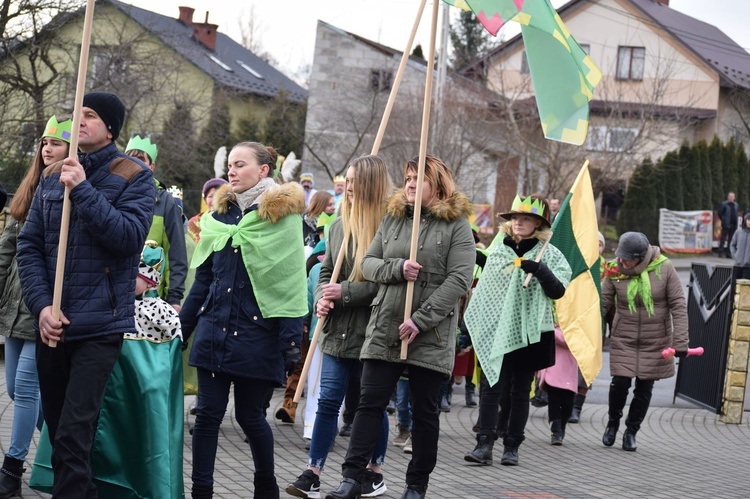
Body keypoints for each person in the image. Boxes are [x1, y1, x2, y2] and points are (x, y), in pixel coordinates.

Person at [16, 91, 155, 497]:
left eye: (89, 115)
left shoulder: (133, 174)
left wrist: (83, 190)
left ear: (110, 127)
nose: (79, 120)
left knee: (75, 434)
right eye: (76, 113)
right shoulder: (50, 174)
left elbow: (128, 238)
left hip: (99, 326)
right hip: (54, 324)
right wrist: (42, 307)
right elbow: (30, 247)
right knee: (58, 432)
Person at [325, 155, 475, 499]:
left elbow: (459, 280)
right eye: (407, 177)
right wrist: (397, 268)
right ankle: (351, 479)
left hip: (430, 334)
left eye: (417, 179)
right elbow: (369, 263)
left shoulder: (457, 225)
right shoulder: (392, 219)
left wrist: (420, 320)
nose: (409, 184)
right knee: (369, 403)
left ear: (437, 186)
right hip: (386, 325)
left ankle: (416, 485)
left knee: (425, 413)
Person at [180, 141, 307, 499]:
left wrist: (290, 344)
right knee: (206, 416)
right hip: (213, 330)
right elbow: (203, 279)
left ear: (263, 170)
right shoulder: (218, 217)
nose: (231, 172)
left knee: (251, 418)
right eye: (230, 165)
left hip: (258, 336)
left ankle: (265, 486)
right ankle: (200, 491)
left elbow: (290, 283)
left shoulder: (283, 218)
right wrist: (182, 329)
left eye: (240, 165)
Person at [30, 242, 185, 498]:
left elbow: (163, 373)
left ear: (149, 281)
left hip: (132, 394)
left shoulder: (159, 314)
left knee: (90, 433)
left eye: (137, 275)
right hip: (102, 382)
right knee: (72, 429)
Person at [286, 155, 392, 499]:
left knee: (368, 403)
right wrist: (320, 298)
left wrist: (344, 292)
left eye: (352, 179)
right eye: (344, 178)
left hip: (373, 332)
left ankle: (373, 472)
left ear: (371, 183)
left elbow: (386, 285)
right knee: (328, 400)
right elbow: (326, 272)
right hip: (337, 331)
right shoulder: (338, 225)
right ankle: (313, 472)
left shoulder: (390, 227)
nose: (345, 186)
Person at [463, 194, 571, 467]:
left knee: (520, 391)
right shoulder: (500, 250)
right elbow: (486, 282)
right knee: (491, 387)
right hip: (497, 329)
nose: (519, 223)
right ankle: (483, 445)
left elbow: (558, 290)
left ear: (538, 223)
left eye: (526, 219)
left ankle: (512, 446)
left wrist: (541, 270)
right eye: (515, 218)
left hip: (530, 333)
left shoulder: (550, 253)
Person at [0, 116, 70, 497]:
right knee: (13, 390)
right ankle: (67, 449)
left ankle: (11, 468)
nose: (47, 149)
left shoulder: (71, 188)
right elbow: (7, 249)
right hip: (14, 304)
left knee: (26, 388)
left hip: (44, 303)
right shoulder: (28, 189)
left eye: (56, 143)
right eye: (44, 143)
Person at [601, 231, 689, 451]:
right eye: (620, 256)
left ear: (641, 257)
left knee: (644, 387)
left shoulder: (664, 268)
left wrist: (680, 342)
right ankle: (612, 423)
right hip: (625, 336)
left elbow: (678, 305)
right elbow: (602, 303)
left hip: (655, 339)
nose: (622, 261)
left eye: (627, 258)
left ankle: (631, 431)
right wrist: (588, 334)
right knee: (620, 383)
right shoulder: (613, 271)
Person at [125, 135, 188, 310]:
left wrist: (174, 298)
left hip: (152, 301)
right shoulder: (113, 195)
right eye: (129, 157)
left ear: (152, 167)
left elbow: (175, 252)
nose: (133, 163)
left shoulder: (165, 202)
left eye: (140, 159)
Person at [569, 230, 606, 424]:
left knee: (586, 368)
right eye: (594, 243)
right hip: (575, 322)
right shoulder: (577, 265)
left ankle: (577, 406)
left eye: (600, 244)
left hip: (595, 325)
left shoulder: (609, 270)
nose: (596, 248)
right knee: (567, 361)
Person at [538, 326, 578, 445]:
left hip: (569, 369)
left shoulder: (575, 323)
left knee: (568, 404)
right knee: (554, 402)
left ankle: (562, 424)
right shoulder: (550, 320)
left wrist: (551, 331)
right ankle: (556, 430)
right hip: (553, 367)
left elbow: (572, 340)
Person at [188, 178, 228, 244]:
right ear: (205, 200)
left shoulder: (235, 221)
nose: (214, 200)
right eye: (210, 196)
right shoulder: (194, 222)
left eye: (218, 196)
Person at [718, 192, 739, 258]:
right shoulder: (724, 204)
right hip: (726, 224)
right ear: (728, 197)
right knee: (723, 238)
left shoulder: (736, 205)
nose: (731, 198)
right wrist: (723, 220)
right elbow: (719, 213)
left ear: (734, 198)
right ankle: (720, 252)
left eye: (732, 197)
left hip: (733, 224)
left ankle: (728, 253)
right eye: (730, 196)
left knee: (731, 240)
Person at [730, 214, 750, 279]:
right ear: (745, 220)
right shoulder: (738, 232)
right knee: (735, 286)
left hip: (748, 267)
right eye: (748, 220)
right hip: (737, 265)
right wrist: (734, 255)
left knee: (744, 287)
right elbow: (732, 244)